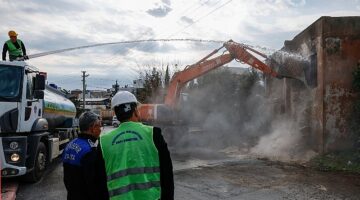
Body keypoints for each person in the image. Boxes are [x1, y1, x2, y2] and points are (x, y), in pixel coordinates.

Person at [97, 91, 174, 200]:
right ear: (136, 111)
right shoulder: (153, 134)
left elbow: (99, 183)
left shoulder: (104, 141)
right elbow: (167, 173)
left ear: (115, 113)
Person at [62, 111, 108, 200]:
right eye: (99, 126)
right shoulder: (90, 151)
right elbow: (96, 184)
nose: (100, 129)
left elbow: (67, 179)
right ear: (92, 128)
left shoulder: (69, 145)